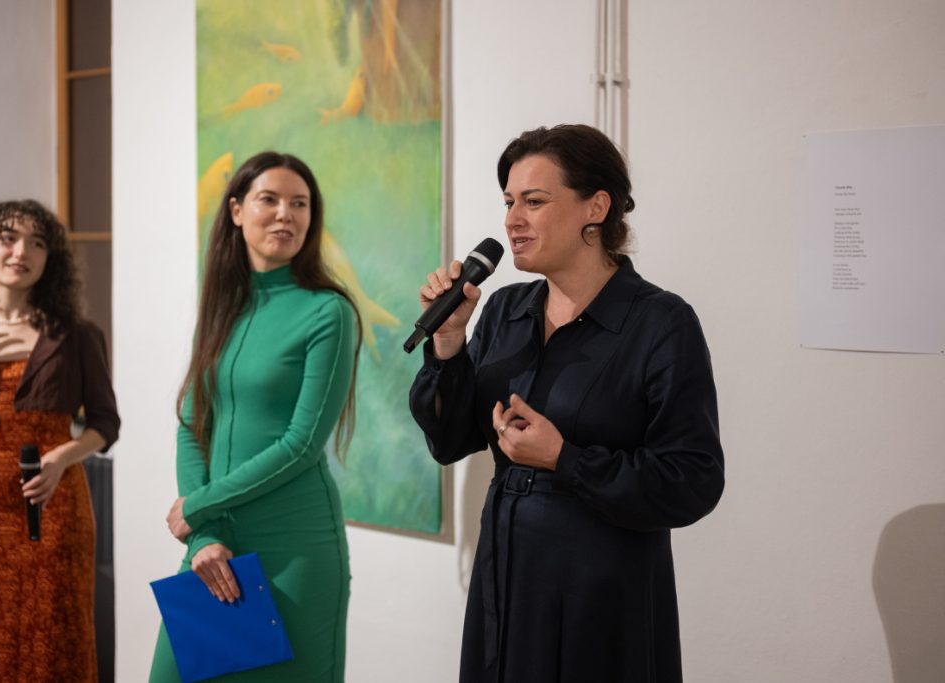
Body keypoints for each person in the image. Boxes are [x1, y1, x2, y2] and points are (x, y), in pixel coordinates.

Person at [409, 124, 725, 682]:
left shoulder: (660, 323)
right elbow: (450, 440)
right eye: (509, 202)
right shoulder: (506, 310)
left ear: (595, 208)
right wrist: (449, 343)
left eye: (534, 201)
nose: (513, 219)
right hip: (507, 578)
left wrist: (565, 459)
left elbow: (693, 480)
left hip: (601, 592)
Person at [150, 151, 361, 682]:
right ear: (237, 210)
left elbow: (302, 444)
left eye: (300, 204)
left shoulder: (329, 311)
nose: (286, 214)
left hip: (295, 550)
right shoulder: (224, 307)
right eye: (270, 199)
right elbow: (192, 424)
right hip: (214, 542)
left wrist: (197, 506)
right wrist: (202, 534)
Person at [0, 199, 120, 682]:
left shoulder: (77, 336)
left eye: (37, 243)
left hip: (56, 501)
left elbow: (105, 424)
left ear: (50, 258)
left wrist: (62, 457)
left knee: (57, 632)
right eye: (8, 239)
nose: (21, 252)